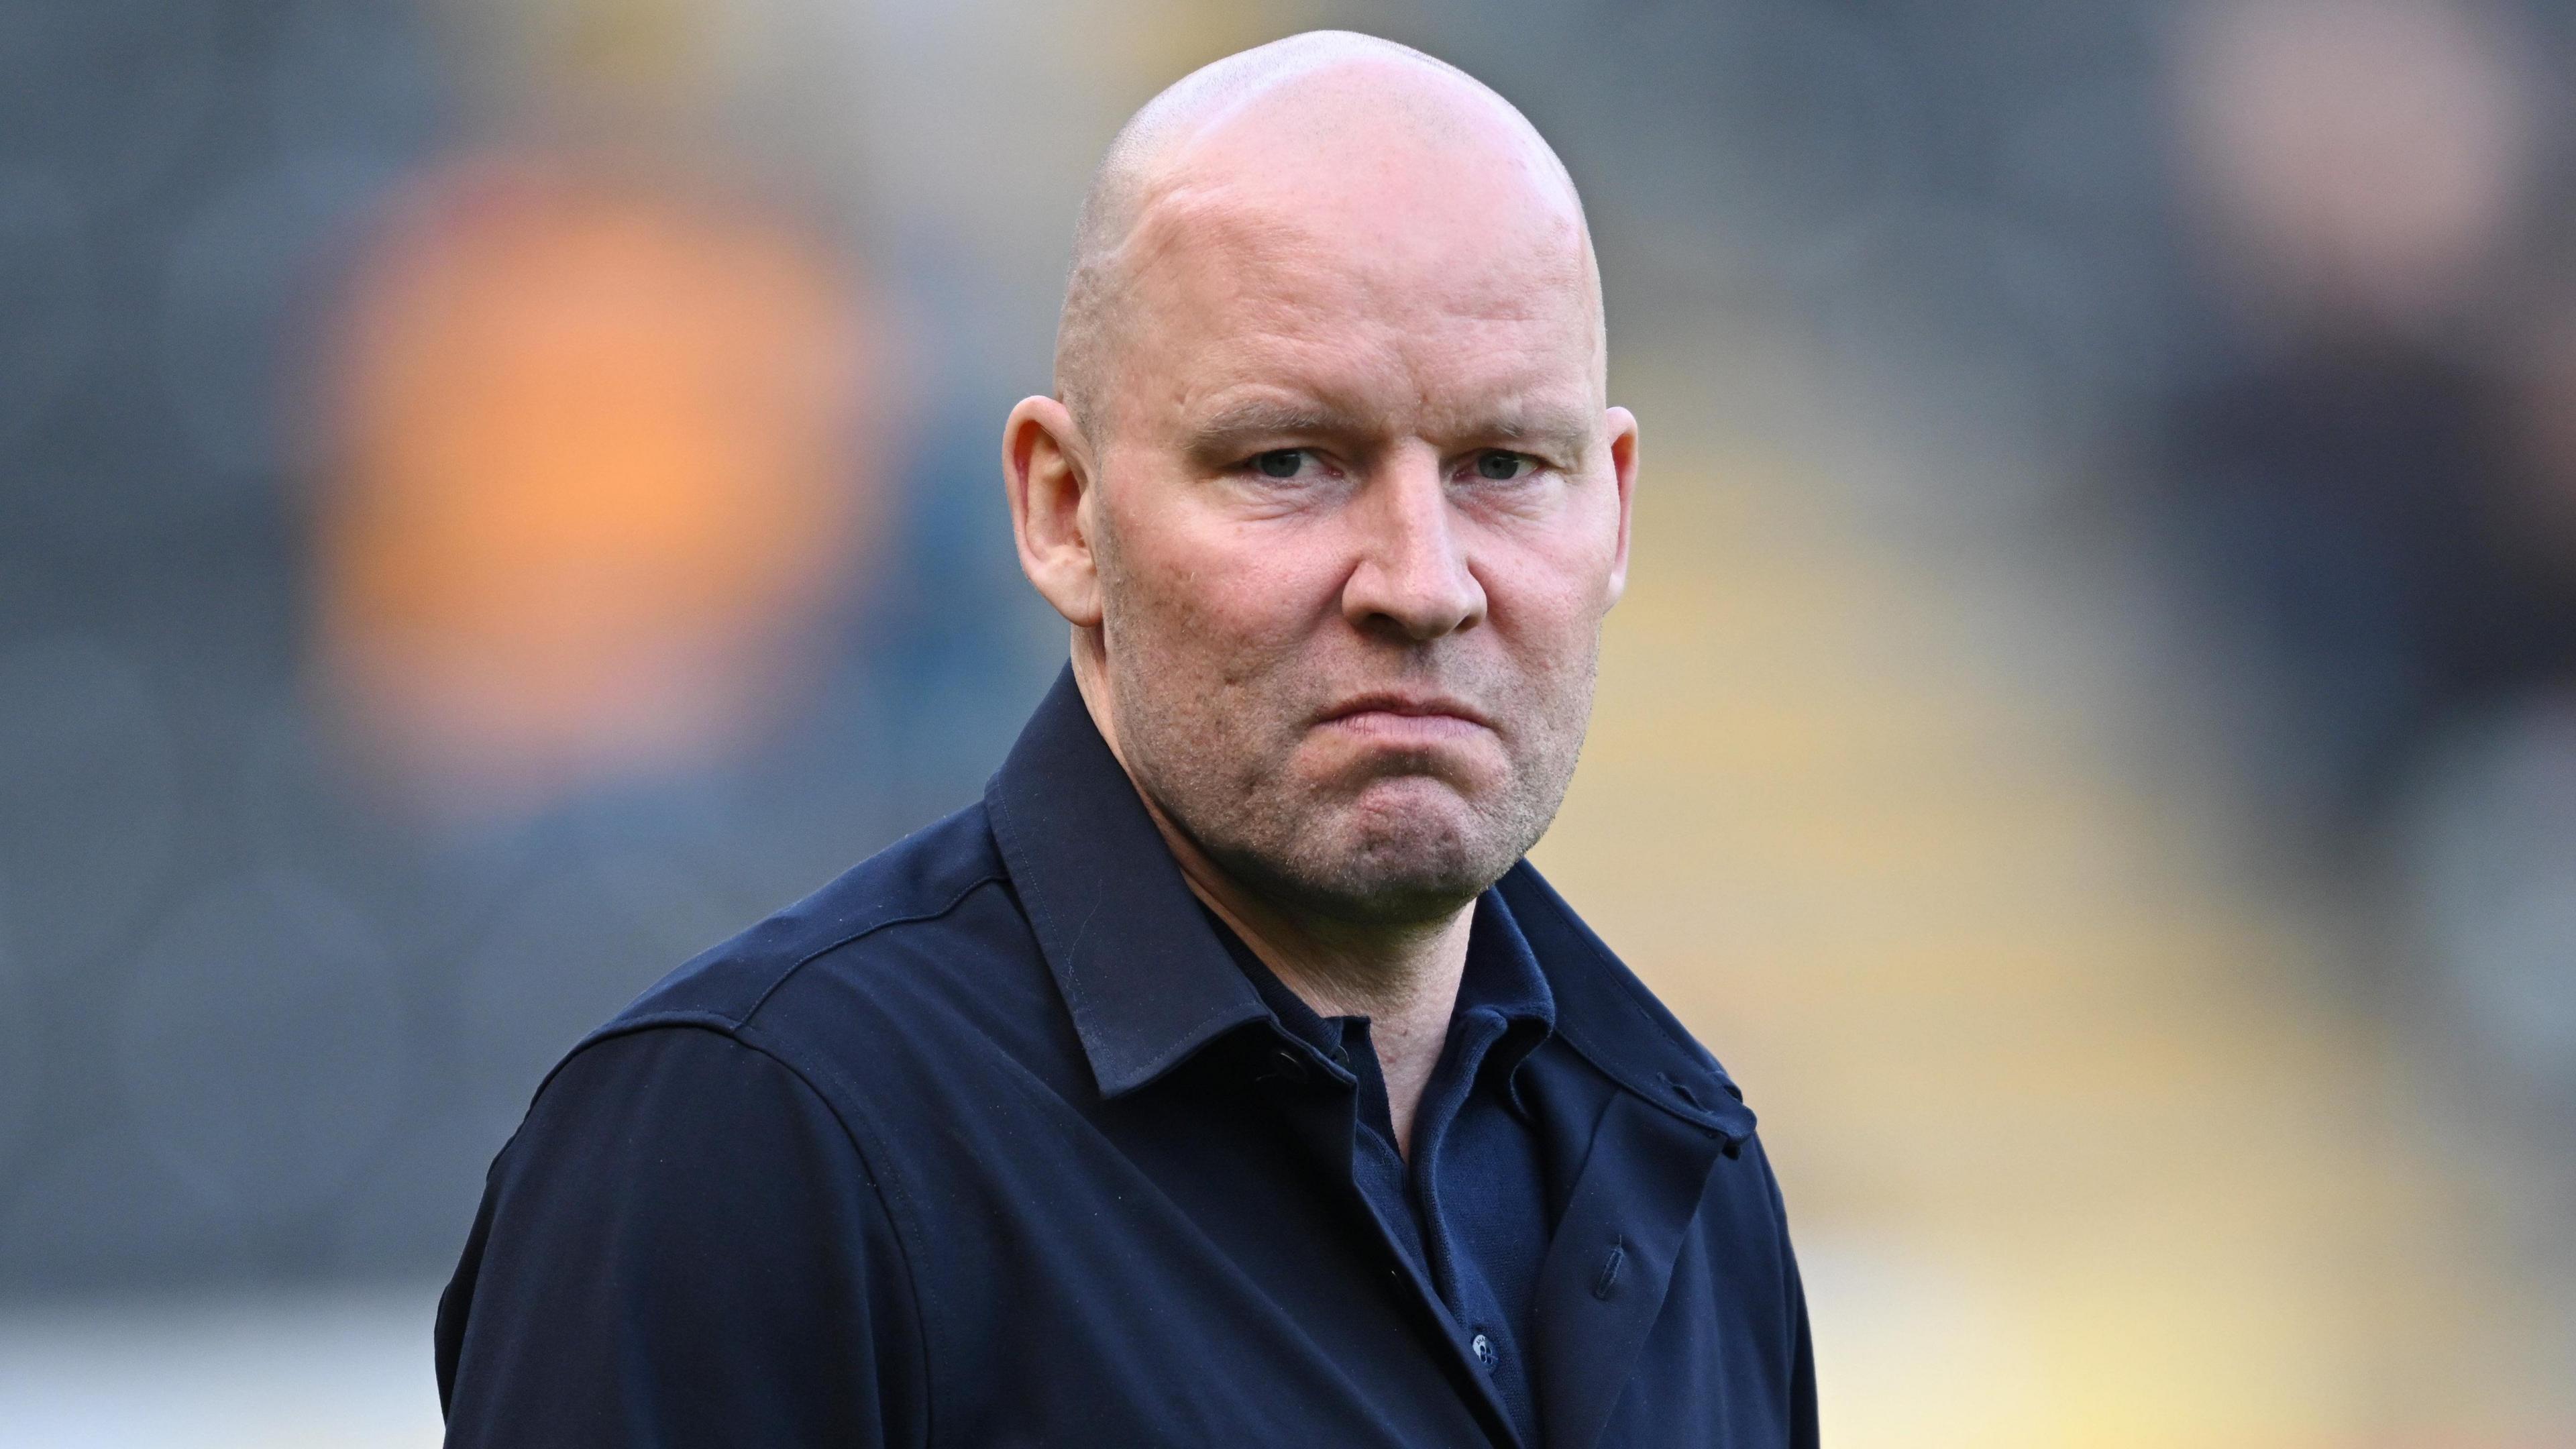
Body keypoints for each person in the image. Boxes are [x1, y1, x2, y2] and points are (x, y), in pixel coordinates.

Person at [435, 30, 1816, 1448]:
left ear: (1618, 509)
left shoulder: (1685, 1164)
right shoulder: (750, 1151)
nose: (1423, 579)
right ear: (1060, 510)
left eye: (1505, 468)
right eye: (1289, 461)